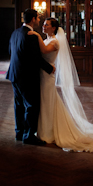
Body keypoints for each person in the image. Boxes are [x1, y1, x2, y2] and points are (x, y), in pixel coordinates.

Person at [28, 18, 93, 152]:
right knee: (45, 103)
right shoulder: (46, 40)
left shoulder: (54, 42)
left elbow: (42, 51)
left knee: (47, 103)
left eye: (46, 25)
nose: (43, 26)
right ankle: (44, 130)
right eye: (43, 24)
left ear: (53, 28)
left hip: (47, 77)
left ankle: (47, 134)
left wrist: (36, 35)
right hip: (42, 75)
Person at [6, 9, 55, 146]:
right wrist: (50, 68)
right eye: (38, 18)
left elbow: (11, 51)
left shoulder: (15, 33)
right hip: (27, 76)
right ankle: (29, 136)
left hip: (14, 74)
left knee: (19, 105)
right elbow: (35, 58)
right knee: (31, 105)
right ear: (33, 19)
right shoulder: (31, 35)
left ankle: (19, 133)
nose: (39, 21)